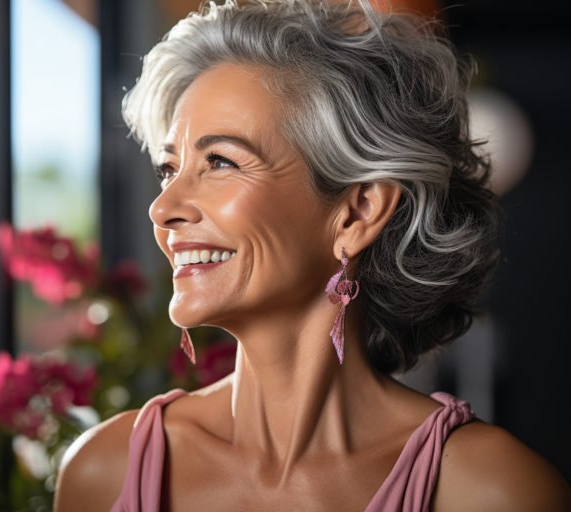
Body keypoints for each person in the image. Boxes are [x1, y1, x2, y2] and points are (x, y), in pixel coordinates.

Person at [54, 1, 571, 510]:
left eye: (220, 162)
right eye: (169, 169)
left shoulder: (493, 492)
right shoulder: (104, 471)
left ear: (357, 213)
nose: (163, 207)